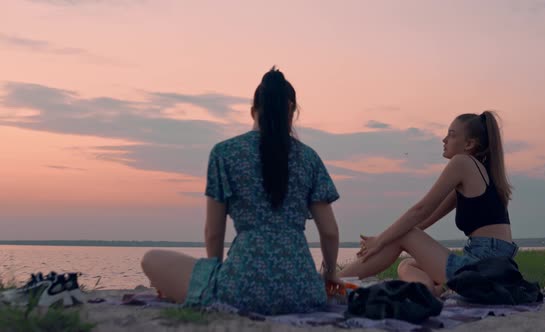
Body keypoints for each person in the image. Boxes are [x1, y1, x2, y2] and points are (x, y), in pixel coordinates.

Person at [141, 67, 342, 314]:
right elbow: (330, 232)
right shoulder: (309, 158)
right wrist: (330, 276)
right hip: (304, 292)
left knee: (151, 259)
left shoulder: (224, 153)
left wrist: (212, 275)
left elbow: (214, 232)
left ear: (253, 111)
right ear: (291, 111)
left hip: (238, 290)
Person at [339, 111, 518, 295]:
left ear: (469, 144)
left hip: (483, 265)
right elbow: (425, 220)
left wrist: (380, 241)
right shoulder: (480, 173)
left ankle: (331, 284)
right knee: (406, 264)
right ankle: (431, 292)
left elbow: (421, 209)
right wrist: (386, 240)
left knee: (404, 234)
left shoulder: (462, 162)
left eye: (451, 134)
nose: (444, 139)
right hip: (494, 265)